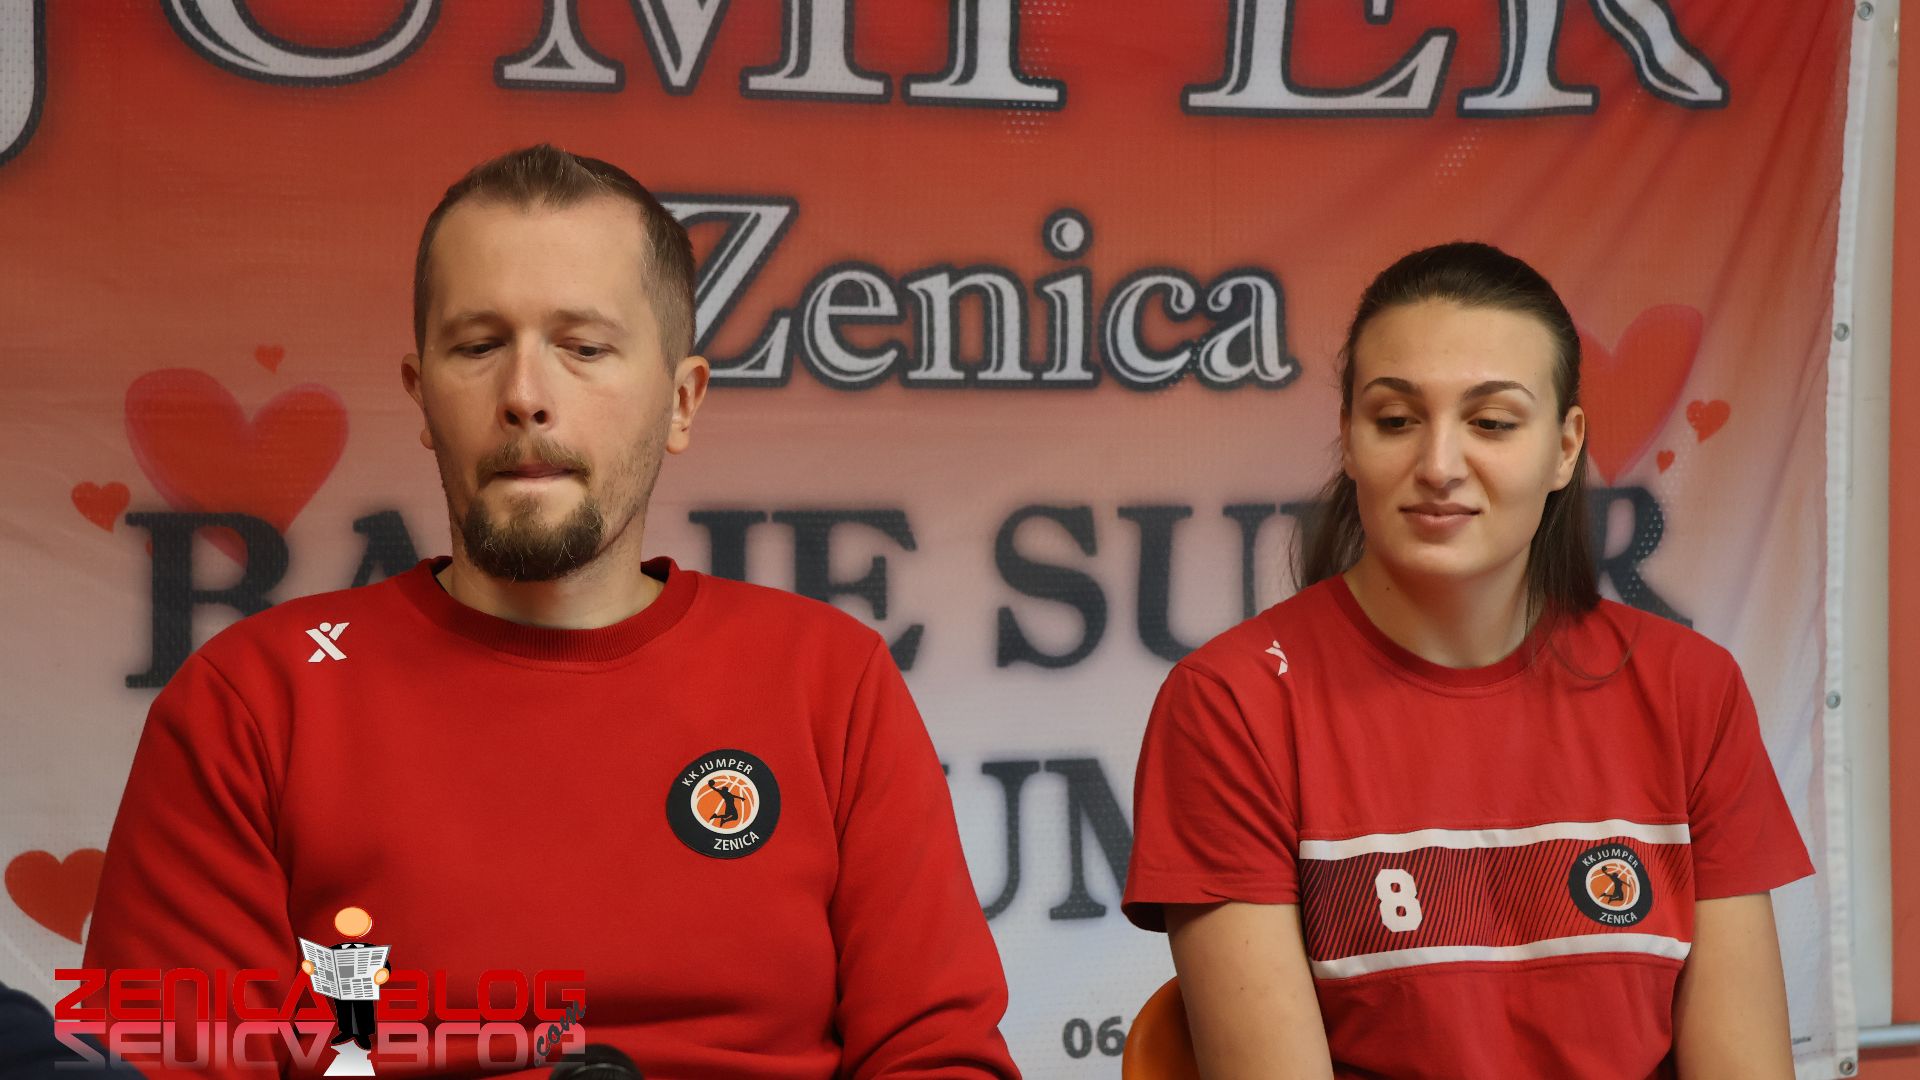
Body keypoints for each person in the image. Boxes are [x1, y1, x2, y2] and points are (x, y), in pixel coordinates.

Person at [85, 144, 1018, 1079]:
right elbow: (166, 1061)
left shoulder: (829, 681)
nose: (525, 397)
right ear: (422, 397)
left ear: (681, 402)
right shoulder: (254, 700)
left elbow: (938, 1058)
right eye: (478, 347)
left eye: (584, 348)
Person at [1122, 242, 1812, 1079]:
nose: (1439, 467)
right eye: (1395, 420)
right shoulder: (1232, 702)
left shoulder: (1689, 688)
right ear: (1348, 440)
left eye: (1491, 423)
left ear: (1565, 448)